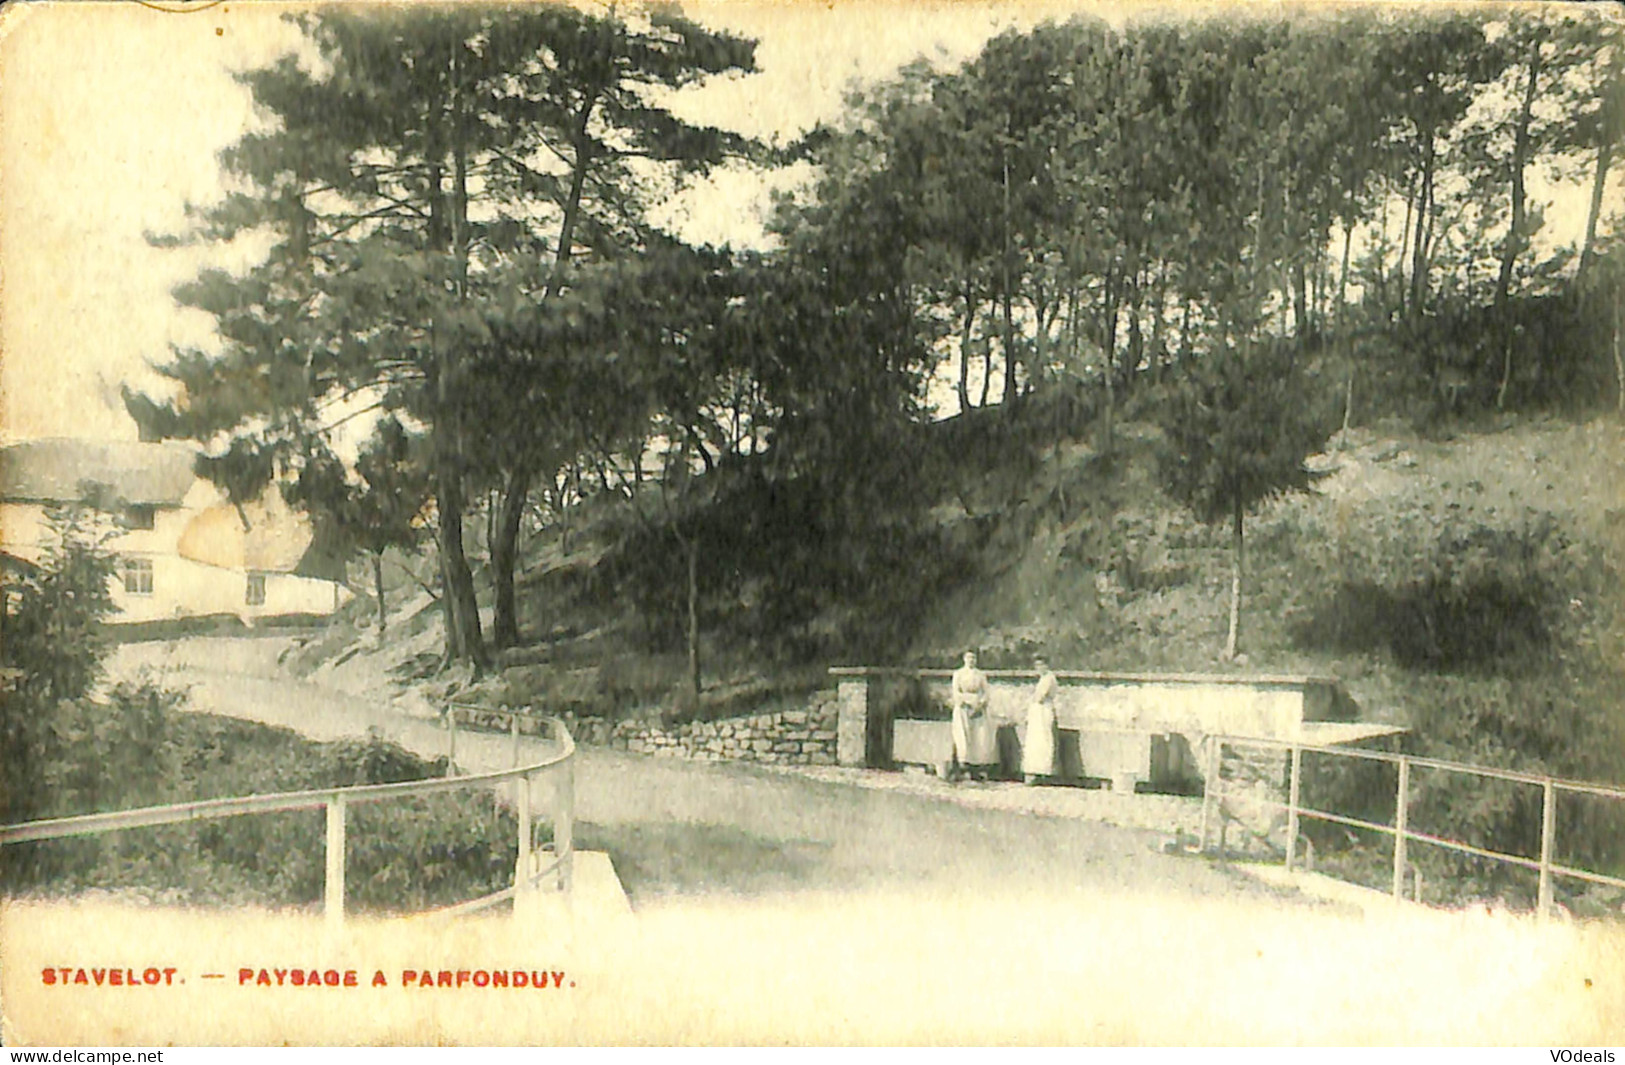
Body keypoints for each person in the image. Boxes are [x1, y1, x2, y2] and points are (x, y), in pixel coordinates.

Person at [950, 649, 996, 781]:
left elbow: (986, 692)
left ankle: (976, 767)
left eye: (974, 658)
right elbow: (955, 692)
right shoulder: (958, 674)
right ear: (964, 659)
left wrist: (980, 705)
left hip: (977, 708)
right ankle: (963, 766)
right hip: (963, 708)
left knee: (978, 737)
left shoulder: (980, 675)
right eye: (969, 657)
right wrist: (965, 703)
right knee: (963, 736)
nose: (971, 660)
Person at [1022, 655, 1059, 784]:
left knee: (1044, 739)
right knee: (1035, 740)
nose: (1039, 668)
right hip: (1037, 712)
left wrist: (1032, 699)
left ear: (1046, 665)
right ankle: (1035, 771)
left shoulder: (1049, 678)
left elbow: (1040, 697)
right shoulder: (1043, 678)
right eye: (1037, 666)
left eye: (1041, 665)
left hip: (1043, 711)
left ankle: (1044, 771)